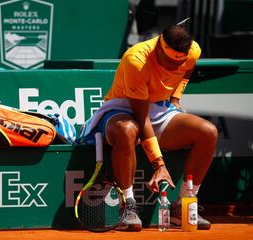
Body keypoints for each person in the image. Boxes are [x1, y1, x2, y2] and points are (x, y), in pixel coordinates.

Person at [77, 24, 218, 231]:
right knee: (128, 129)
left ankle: (183, 204)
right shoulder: (136, 60)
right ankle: (128, 206)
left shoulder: (192, 50)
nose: (173, 67)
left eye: (178, 62)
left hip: (160, 109)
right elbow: (141, 119)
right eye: (169, 61)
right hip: (122, 109)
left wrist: (176, 97)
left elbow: (187, 72)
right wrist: (158, 164)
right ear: (159, 48)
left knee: (208, 132)